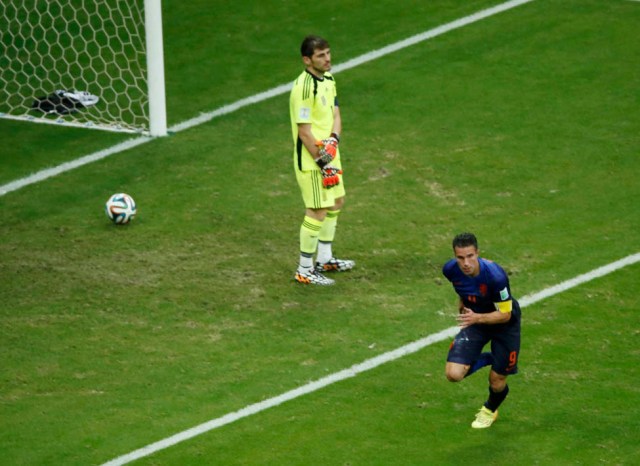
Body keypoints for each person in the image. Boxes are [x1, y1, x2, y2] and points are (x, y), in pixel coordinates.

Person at [289, 35, 355, 285]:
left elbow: (336, 114)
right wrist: (321, 161)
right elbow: (304, 131)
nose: (327, 59)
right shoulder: (304, 87)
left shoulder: (328, 79)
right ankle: (304, 269)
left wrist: (334, 140)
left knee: (336, 201)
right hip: (312, 161)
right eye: (320, 55)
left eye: (328, 53)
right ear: (307, 60)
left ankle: (324, 258)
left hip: (330, 154)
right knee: (316, 210)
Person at [442, 232, 521, 428]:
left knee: (497, 380)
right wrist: (463, 303)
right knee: (453, 374)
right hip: (476, 320)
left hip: (504, 326)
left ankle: (489, 409)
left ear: (477, 253)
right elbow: (461, 288)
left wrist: (476, 317)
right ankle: (491, 358)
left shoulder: (495, 276)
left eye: (470, 256)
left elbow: (505, 314)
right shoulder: (450, 270)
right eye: (460, 257)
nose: (465, 262)